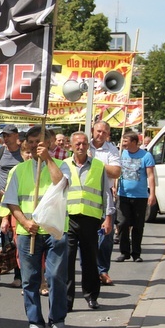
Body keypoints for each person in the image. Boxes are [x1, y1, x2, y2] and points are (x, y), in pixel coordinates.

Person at [2, 126, 71, 328]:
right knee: (29, 279)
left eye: (38, 142)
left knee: (55, 277)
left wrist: (48, 159)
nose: (34, 146)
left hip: (54, 230)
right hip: (28, 232)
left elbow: (61, 184)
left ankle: (57, 320)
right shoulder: (18, 170)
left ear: (48, 143)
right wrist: (24, 222)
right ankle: (35, 322)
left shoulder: (61, 165)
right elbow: (12, 202)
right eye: (30, 142)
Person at [65, 131, 115, 311]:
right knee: (67, 262)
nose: (81, 146)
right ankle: (67, 300)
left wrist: (108, 217)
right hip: (68, 219)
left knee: (90, 261)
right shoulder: (64, 165)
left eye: (84, 143)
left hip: (91, 219)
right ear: (71, 146)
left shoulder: (98, 166)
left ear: (88, 145)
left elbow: (106, 193)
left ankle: (91, 296)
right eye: (77, 143)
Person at [0, 123, 24, 287]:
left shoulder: (23, 152)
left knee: (15, 240)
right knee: (0, 239)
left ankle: (18, 275)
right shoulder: (0, 151)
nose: (6, 138)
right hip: (1, 200)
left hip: (20, 201)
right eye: (4, 135)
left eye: (9, 135)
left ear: (17, 136)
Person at [116, 131, 156, 263]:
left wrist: (152, 194)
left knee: (138, 225)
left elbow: (150, 175)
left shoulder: (146, 156)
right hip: (123, 195)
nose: (123, 144)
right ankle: (124, 252)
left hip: (140, 196)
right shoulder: (121, 153)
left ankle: (136, 253)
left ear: (133, 142)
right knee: (122, 223)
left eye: (126, 141)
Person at [90, 121, 122, 286]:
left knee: (105, 236)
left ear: (108, 134)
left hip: (105, 195)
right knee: (87, 237)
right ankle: (90, 270)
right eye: (98, 131)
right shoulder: (84, 145)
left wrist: (97, 165)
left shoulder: (111, 149)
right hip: (85, 196)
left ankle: (103, 270)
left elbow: (116, 172)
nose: (100, 134)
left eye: (104, 132)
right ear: (92, 131)